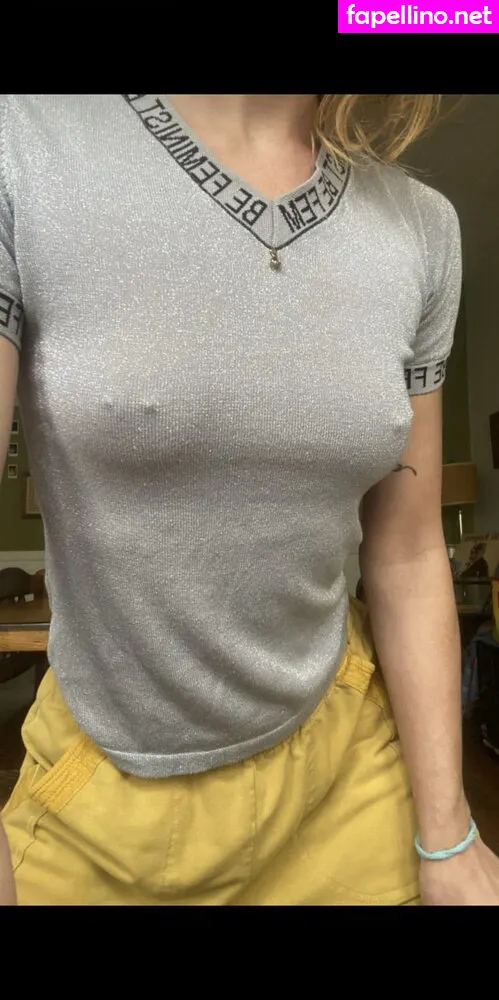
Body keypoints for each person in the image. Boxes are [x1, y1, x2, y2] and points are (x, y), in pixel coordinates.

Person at [1, 93, 499, 907]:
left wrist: (447, 832)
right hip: (105, 787)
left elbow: (407, 553)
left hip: (347, 771)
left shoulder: (421, 227)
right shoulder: (21, 146)